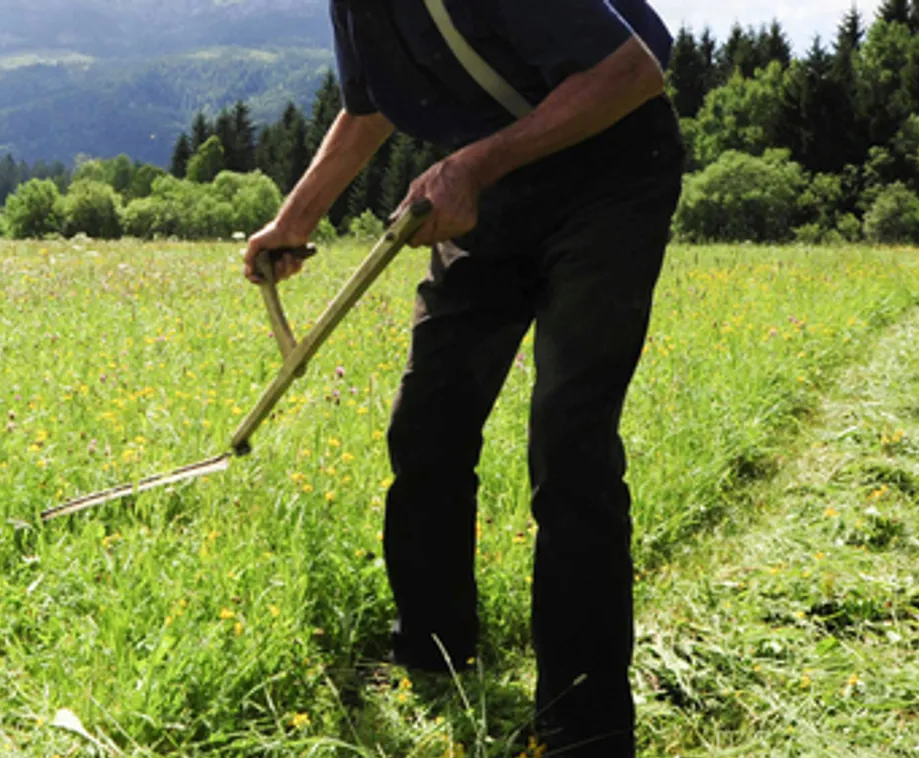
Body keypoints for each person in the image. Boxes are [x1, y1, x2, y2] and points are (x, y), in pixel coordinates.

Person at [244, 1, 684, 754]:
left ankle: (585, 726)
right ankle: (433, 650)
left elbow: (633, 68)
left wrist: (473, 164)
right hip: (488, 201)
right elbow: (367, 107)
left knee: (568, 441)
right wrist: (296, 217)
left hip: (608, 184)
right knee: (428, 422)